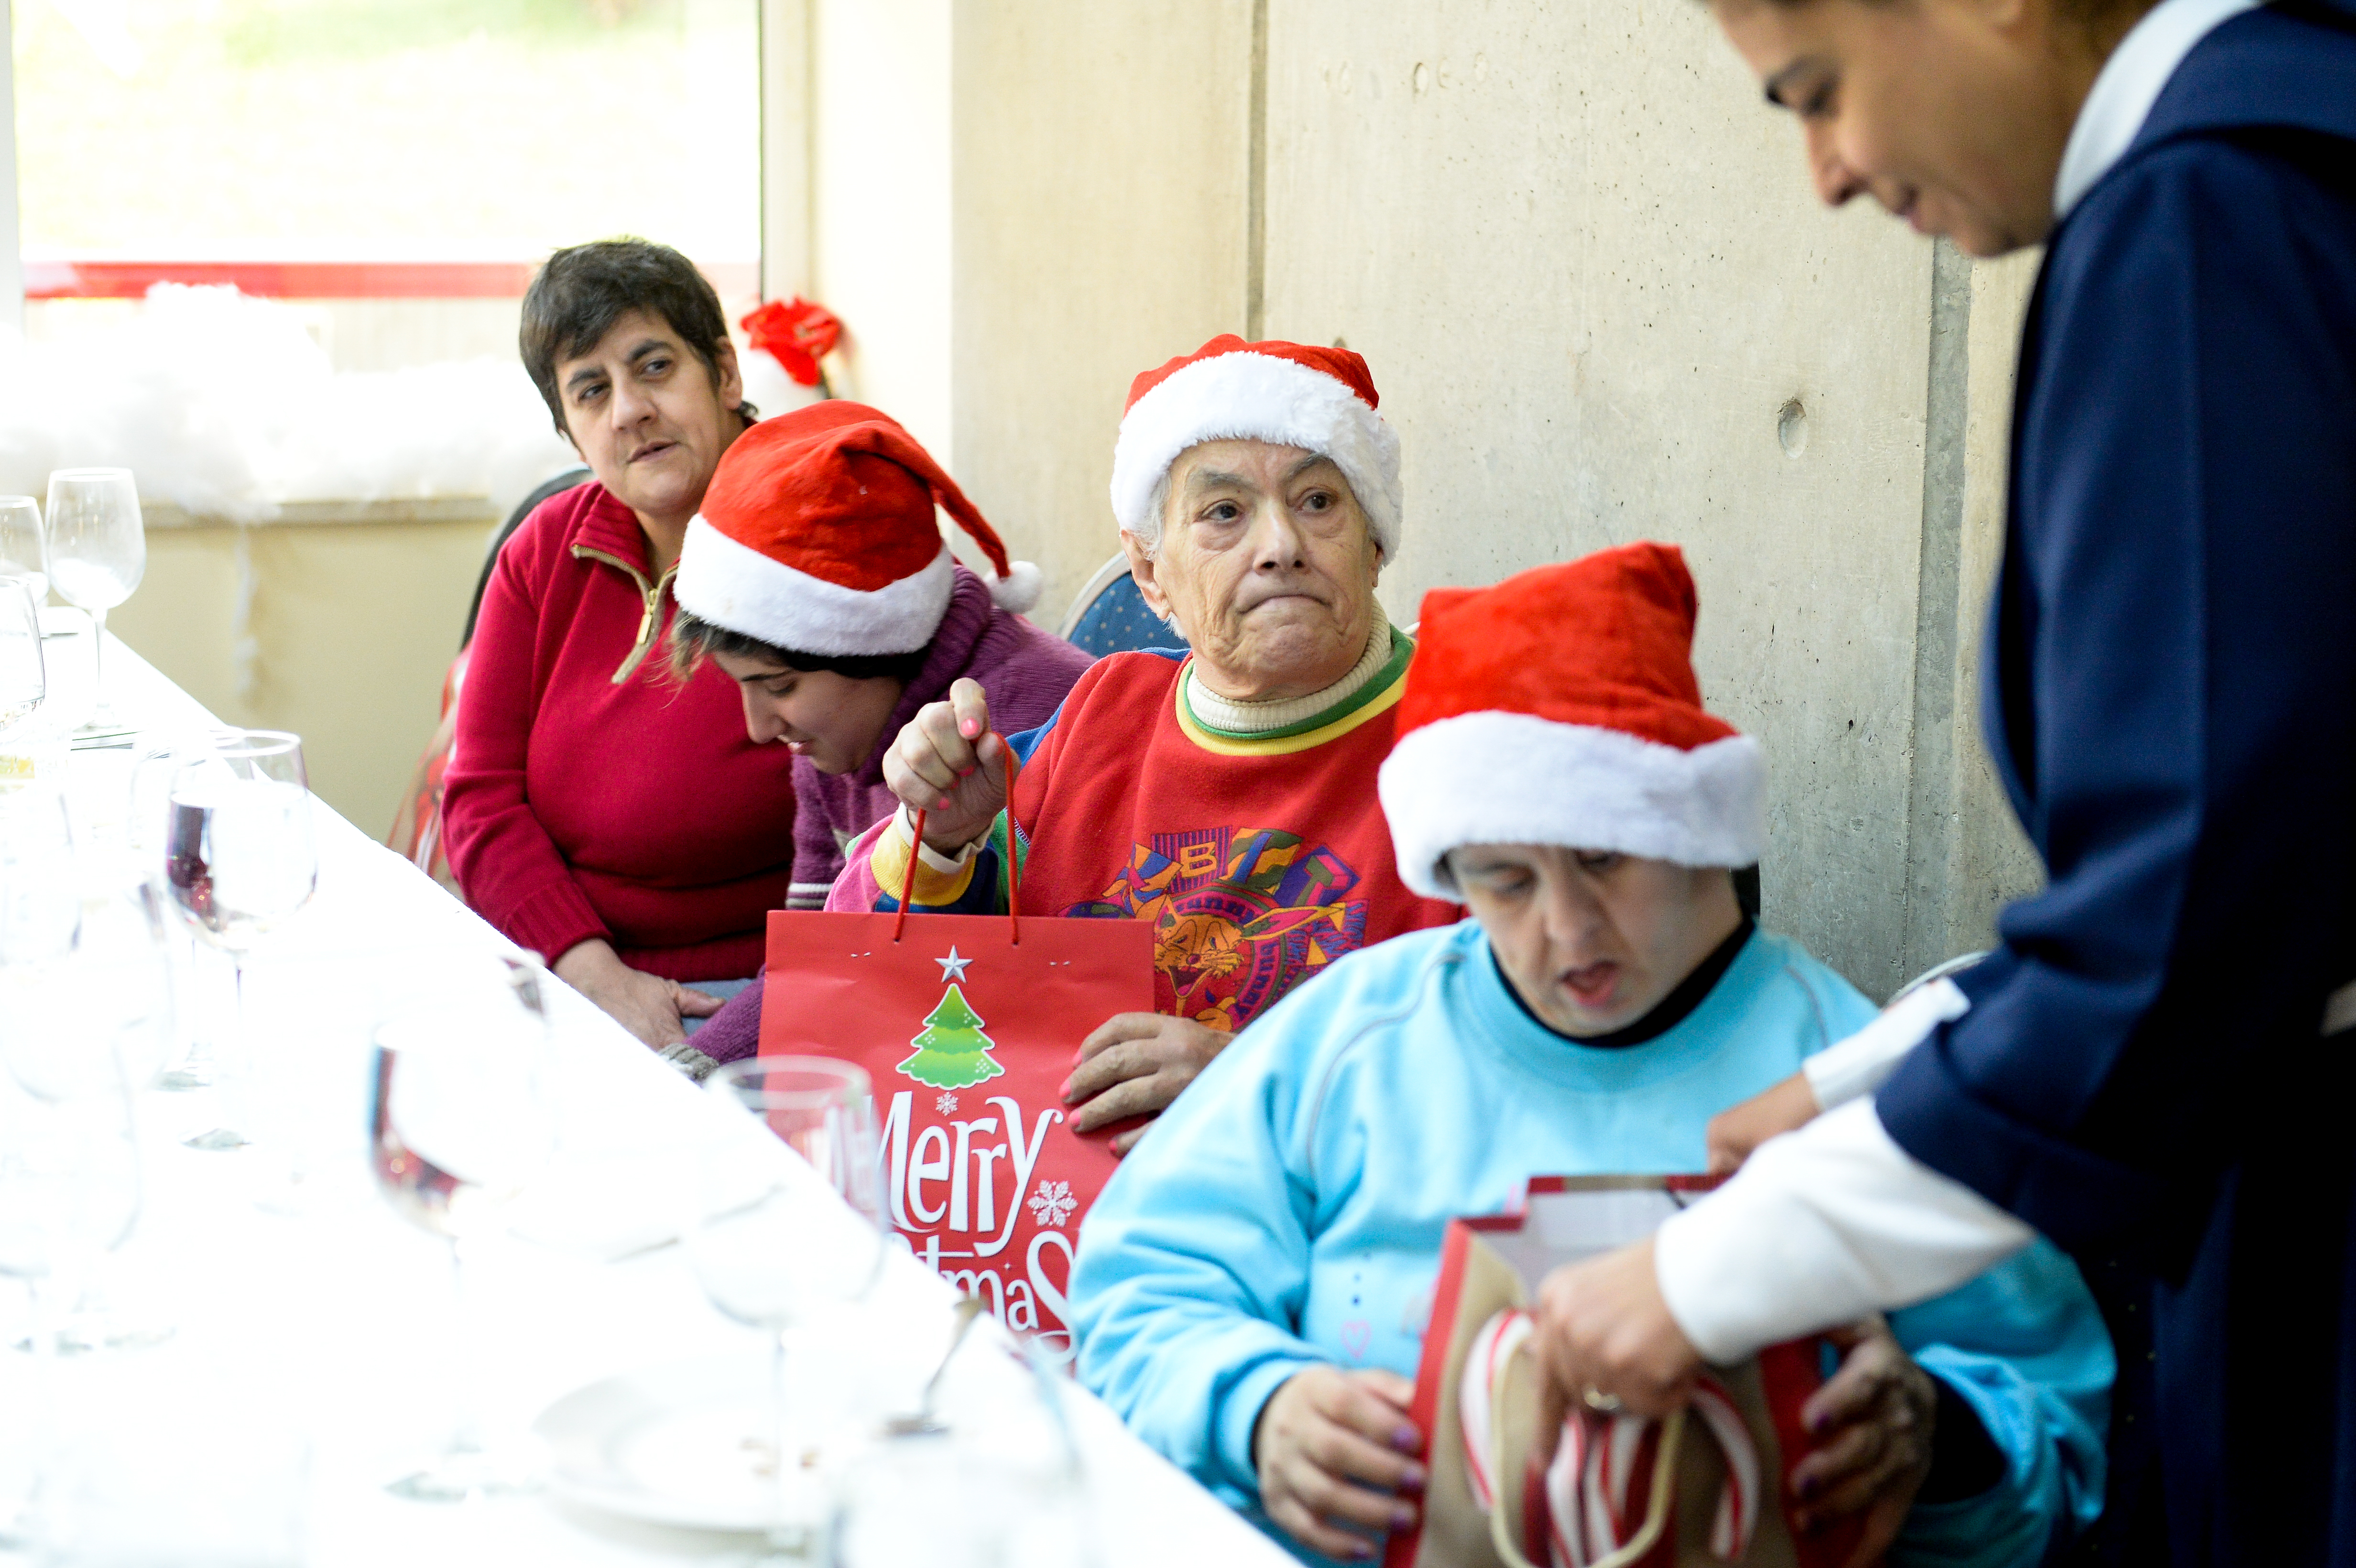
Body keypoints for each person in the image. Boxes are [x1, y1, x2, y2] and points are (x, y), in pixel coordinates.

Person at [1525, 2, 2356, 1562]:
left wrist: (1716, 1276)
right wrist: (1870, 1080)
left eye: (1816, 93)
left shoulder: (2201, 213)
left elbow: (2203, 908)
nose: (1825, 176)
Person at [1068, 547, 2110, 1567]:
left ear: (1695, 830)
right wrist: (1252, 1406)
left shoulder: (1848, 1070)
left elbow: (2059, 1432)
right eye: (1506, 880)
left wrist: (1944, 1439)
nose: (1566, 930)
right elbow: (1134, 1286)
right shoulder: (1350, 1036)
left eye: (1604, 858)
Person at [832, 336, 1461, 1151]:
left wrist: (1261, 1089)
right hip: (1054, 1218)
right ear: (1150, 572)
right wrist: (944, 841)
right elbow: (891, 984)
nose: (1280, 546)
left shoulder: (1463, 735)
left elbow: (1534, 1074)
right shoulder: (1104, 712)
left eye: (1317, 502)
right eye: (1224, 514)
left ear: (1374, 543)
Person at [660, 402, 1094, 1075]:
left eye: (777, 686)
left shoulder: (1036, 720)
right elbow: (812, 955)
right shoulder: (828, 739)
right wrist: (695, 1067)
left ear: (873, 644)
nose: (758, 727)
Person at [443, 238, 784, 1049]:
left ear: (726, 375)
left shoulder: (818, 523)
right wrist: (595, 979)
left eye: (655, 366)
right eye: (592, 391)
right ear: (571, 434)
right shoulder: (542, 553)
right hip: (568, 975)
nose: (629, 409)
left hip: (761, 997)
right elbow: (480, 799)